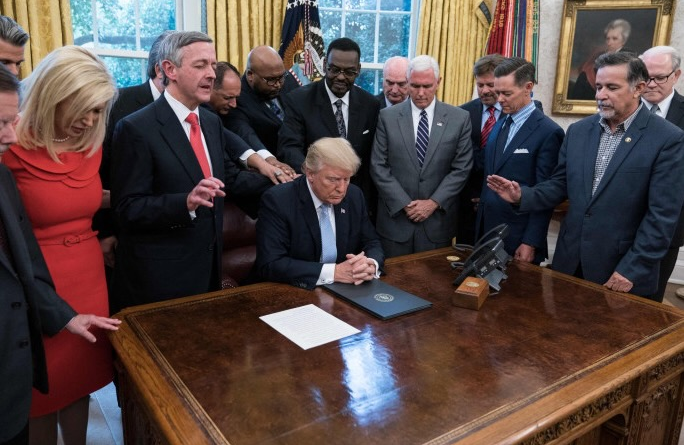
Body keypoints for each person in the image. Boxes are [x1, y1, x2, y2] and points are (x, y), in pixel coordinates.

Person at [487, 52, 684, 299]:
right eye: (599, 87)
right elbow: (559, 185)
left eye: (612, 87)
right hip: (570, 261)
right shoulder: (578, 131)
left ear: (638, 88)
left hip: (622, 269)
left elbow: (662, 217)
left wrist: (632, 269)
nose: (601, 95)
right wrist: (522, 196)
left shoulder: (667, 138)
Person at [0, 46, 121, 444]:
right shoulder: (9, 142)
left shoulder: (91, 141)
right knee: (41, 390)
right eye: (82, 109)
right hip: (35, 280)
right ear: (53, 95)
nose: (90, 120)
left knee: (79, 377)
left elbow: (88, 200)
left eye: (98, 110)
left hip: (88, 274)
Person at [110, 31, 271, 311]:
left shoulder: (211, 122)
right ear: (169, 69)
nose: (211, 74)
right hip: (160, 280)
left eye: (213, 65)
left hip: (208, 272)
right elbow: (126, 208)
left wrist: (285, 183)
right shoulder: (136, 128)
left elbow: (226, 181)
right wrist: (184, 203)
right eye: (200, 65)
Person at [96, 30, 176, 291]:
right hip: (126, 235)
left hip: (175, 234)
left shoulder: (197, 109)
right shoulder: (118, 104)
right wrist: (105, 231)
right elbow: (99, 172)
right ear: (162, 69)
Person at [370, 55, 473, 257]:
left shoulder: (459, 118)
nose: (420, 93)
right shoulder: (387, 117)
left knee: (434, 277)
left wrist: (433, 202)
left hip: (436, 225)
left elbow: (461, 169)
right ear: (408, 82)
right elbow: (378, 165)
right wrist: (404, 204)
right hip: (395, 223)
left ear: (438, 82)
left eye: (427, 86)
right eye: (415, 86)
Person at [256, 137, 383, 289]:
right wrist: (334, 272)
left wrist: (370, 264)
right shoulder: (279, 200)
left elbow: (371, 242)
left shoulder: (354, 195)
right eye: (333, 179)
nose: (342, 189)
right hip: (293, 290)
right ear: (310, 174)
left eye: (347, 179)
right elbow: (271, 263)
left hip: (347, 288)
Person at [475, 58, 564, 265]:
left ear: (528, 87)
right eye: (498, 92)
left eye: (507, 94)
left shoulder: (549, 132)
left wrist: (530, 242)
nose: (499, 99)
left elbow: (546, 194)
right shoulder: (501, 122)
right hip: (487, 232)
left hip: (518, 238)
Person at [277, 37, 380, 212]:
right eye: (335, 69)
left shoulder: (370, 104)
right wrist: (317, 178)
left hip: (355, 201)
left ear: (358, 70)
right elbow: (289, 148)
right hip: (314, 195)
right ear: (325, 65)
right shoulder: (299, 100)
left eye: (349, 72)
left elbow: (372, 157)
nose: (340, 77)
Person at [639, 46, 684, 302]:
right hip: (619, 226)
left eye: (660, 77)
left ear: (676, 75)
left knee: (651, 301)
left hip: (669, 227)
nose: (651, 84)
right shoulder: (622, 110)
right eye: (646, 77)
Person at [210, 54, 296, 183]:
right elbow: (242, 134)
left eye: (281, 78)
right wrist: (267, 162)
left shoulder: (289, 81)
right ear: (250, 75)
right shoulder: (238, 100)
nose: (278, 84)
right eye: (270, 80)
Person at [458, 53, 505, 245]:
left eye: (490, 85)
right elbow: (460, 159)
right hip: (468, 206)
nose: (484, 91)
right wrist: (475, 196)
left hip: (501, 205)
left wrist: (488, 197)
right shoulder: (462, 112)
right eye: (480, 85)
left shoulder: (515, 114)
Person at [571, 19, 635, 100]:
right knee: (584, 76)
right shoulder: (601, 53)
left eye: (614, 39)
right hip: (597, 85)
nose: (609, 42)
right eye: (608, 39)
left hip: (612, 90)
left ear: (624, 41)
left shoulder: (629, 56)